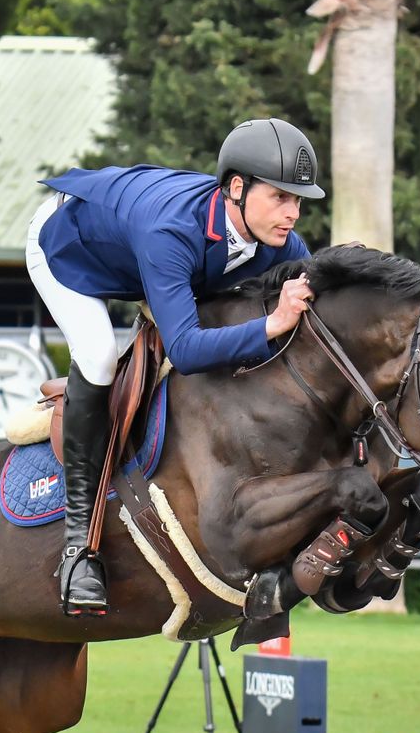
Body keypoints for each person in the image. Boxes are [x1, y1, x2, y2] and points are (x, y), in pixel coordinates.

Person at [28, 117, 323, 616]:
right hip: (66, 249)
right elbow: (185, 350)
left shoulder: (279, 240)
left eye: (298, 201)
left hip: (139, 254)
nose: (292, 214)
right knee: (99, 354)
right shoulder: (171, 231)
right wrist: (272, 323)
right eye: (280, 198)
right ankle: (79, 549)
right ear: (236, 187)